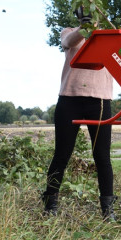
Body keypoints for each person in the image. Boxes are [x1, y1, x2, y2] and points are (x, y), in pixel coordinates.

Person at [42, 15, 116, 220]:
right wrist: (84, 26)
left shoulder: (107, 37)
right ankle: (50, 204)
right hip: (70, 99)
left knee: (102, 156)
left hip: (100, 101)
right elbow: (68, 41)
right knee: (61, 155)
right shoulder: (69, 32)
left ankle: (108, 210)